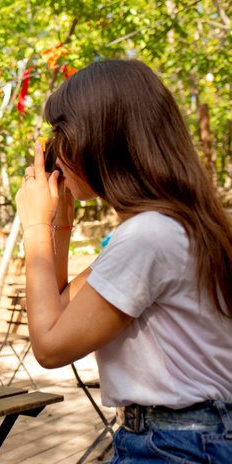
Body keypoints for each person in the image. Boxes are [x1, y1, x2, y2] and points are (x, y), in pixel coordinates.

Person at [15, 59, 232, 463]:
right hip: (186, 438)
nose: (54, 154)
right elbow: (59, 308)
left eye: (61, 134)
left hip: (174, 445)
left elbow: (48, 346)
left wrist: (32, 228)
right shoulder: (171, 225)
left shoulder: (148, 236)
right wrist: (59, 223)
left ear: (99, 140)